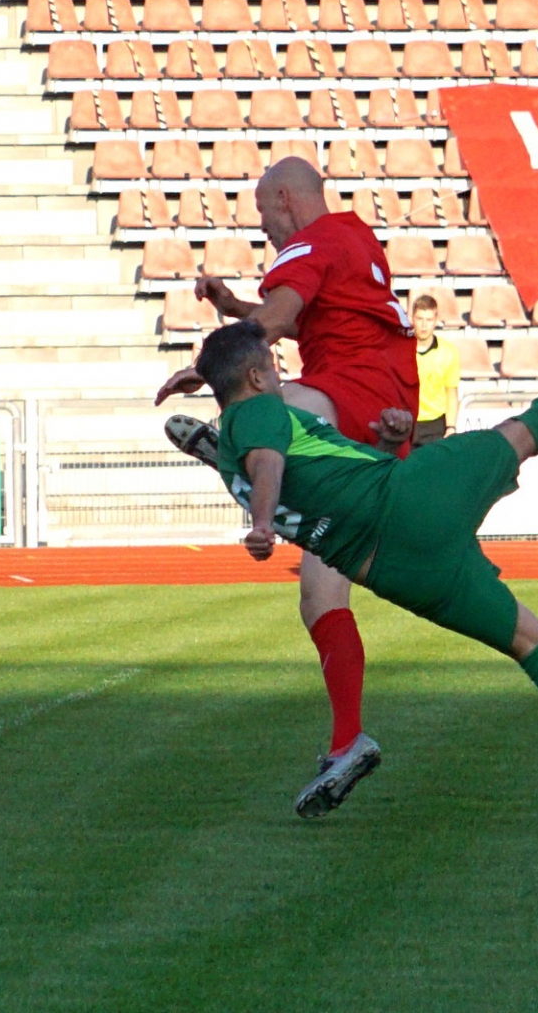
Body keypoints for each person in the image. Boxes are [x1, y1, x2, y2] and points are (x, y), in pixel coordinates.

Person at [195, 318, 538, 815]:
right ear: (256, 377)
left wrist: (383, 443)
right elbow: (270, 462)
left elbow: (313, 484)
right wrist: (260, 525)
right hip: (409, 500)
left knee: (528, 642)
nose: (280, 376)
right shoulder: (258, 411)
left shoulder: (232, 461)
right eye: (273, 366)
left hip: (396, 571)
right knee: (521, 434)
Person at [155, 157, 418, 815]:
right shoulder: (356, 238)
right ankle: (348, 741)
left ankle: (235, 453)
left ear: (284, 198)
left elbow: (275, 322)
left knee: (260, 407)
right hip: (380, 418)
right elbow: (303, 320)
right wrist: (233, 308)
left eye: (263, 212)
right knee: (319, 595)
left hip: (347, 393)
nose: (264, 227)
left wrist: (207, 368)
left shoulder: (312, 241)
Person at [411, 294, 460, 447]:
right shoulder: (400, 349)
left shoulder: (448, 352)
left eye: (429, 320)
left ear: (436, 320)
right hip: (406, 422)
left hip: (434, 425)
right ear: (412, 318)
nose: (424, 325)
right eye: (420, 319)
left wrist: (451, 427)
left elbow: (451, 392)